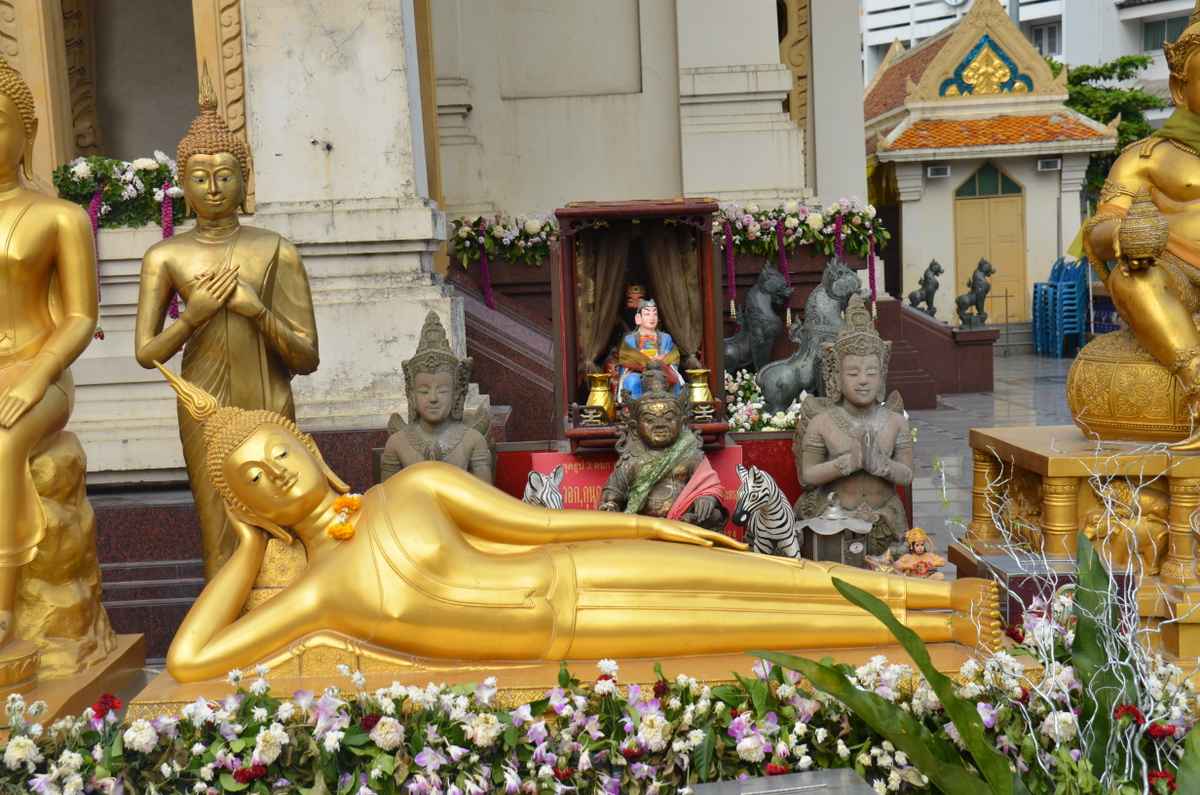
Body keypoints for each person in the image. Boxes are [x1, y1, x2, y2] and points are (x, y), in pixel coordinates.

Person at [152, 364, 1001, 683]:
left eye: (279, 451)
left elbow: (541, 528)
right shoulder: (321, 594)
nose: (276, 472)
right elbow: (191, 659)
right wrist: (247, 547)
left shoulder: (411, 488)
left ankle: (942, 600)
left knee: (765, 574)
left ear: (308, 447)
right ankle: (942, 622)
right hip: (572, 631)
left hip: (580, 571)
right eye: (255, 481)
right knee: (765, 622)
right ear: (250, 505)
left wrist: (651, 530)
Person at [134, 67, 318, 577]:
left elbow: (306, 357)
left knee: (281, 517)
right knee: (218, 525)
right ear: (182, 186)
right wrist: (190, 319)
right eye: (199, 178)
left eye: (225, 176)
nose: (213, 189)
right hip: (204, 405)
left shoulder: (275, 250)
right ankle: (224, 616)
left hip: (268, 399)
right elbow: (146, 353)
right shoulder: (165, 256)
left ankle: (285, 611)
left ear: (245, 180)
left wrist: (256, 310)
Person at [0, 56, 99, 644]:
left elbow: (81, 317)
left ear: (27, 131)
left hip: (39, 369)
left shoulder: (60, 217)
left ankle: (3, 602)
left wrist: (37, 375)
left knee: (4, 443)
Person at [1083, 3, 1200, 450]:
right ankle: (1197, 384)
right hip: (1177, 276)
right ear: (1179, 88)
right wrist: (1124, 237)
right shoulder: (1144, 158)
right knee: (1132, 278)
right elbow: (1102, 227)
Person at [795, 295, 912, 556]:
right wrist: (847, 463)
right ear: (836, 378)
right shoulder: (822, 422)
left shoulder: (894, 421)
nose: (863, 380)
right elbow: (807, 476)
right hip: (834, 519)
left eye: (871, 372)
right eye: (852, 373)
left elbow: (907, 475)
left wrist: (881, 465)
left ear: (881, 377)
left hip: (885, 519)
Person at [598, 365, 726, 530]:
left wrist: (707, 497)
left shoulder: (689, 454)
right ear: (635, 427)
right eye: (650, 420)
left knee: (714, 515)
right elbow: (614, 491)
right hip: (643, 525)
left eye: (669, 418)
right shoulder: (633, 459)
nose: (660, 425)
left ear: (681, 422)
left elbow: (710, 484)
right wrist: (610, 504)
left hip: (682, 523)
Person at [380, 311, 492, 482]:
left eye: (442, 391)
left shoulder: (473, 440)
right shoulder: (397, 443)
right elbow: (388, 495)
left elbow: (485, 495)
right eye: (424, 391)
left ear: (456, 395)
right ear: (411, 396)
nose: (433, 398)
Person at [616, 299, 681, 400]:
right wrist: (646, 361)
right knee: (632, 381)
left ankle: (671, 407)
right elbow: (626, 359)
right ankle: (636, 408)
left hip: (663, 372)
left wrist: (662, 360)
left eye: (655, 314)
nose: (652, 317)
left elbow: (672, 356)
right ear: (638, 318)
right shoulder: (630, 339)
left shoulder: (665, 338)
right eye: (647, 314)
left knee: (674, 381)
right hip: (639, 373)